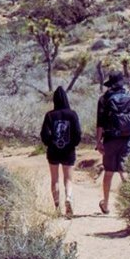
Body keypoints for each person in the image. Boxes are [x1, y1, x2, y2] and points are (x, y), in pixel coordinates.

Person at [94, 74, 130, 215]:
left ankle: (106, 205)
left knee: (109, 172)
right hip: (127, 138)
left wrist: (98, 142)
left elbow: (100, 123)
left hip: (110, 139)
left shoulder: (104, 99)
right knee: (124, 171)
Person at [39, 85, 81, 217]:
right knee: (68, 179)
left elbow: (44, 134)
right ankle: (68, 197)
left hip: (53, 151)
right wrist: (73, 144)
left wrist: (50, 144)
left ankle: (57, 207)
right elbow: (78, 133)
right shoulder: (72, 114)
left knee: (55, 179)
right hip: (68, 151)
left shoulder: (50, 115)